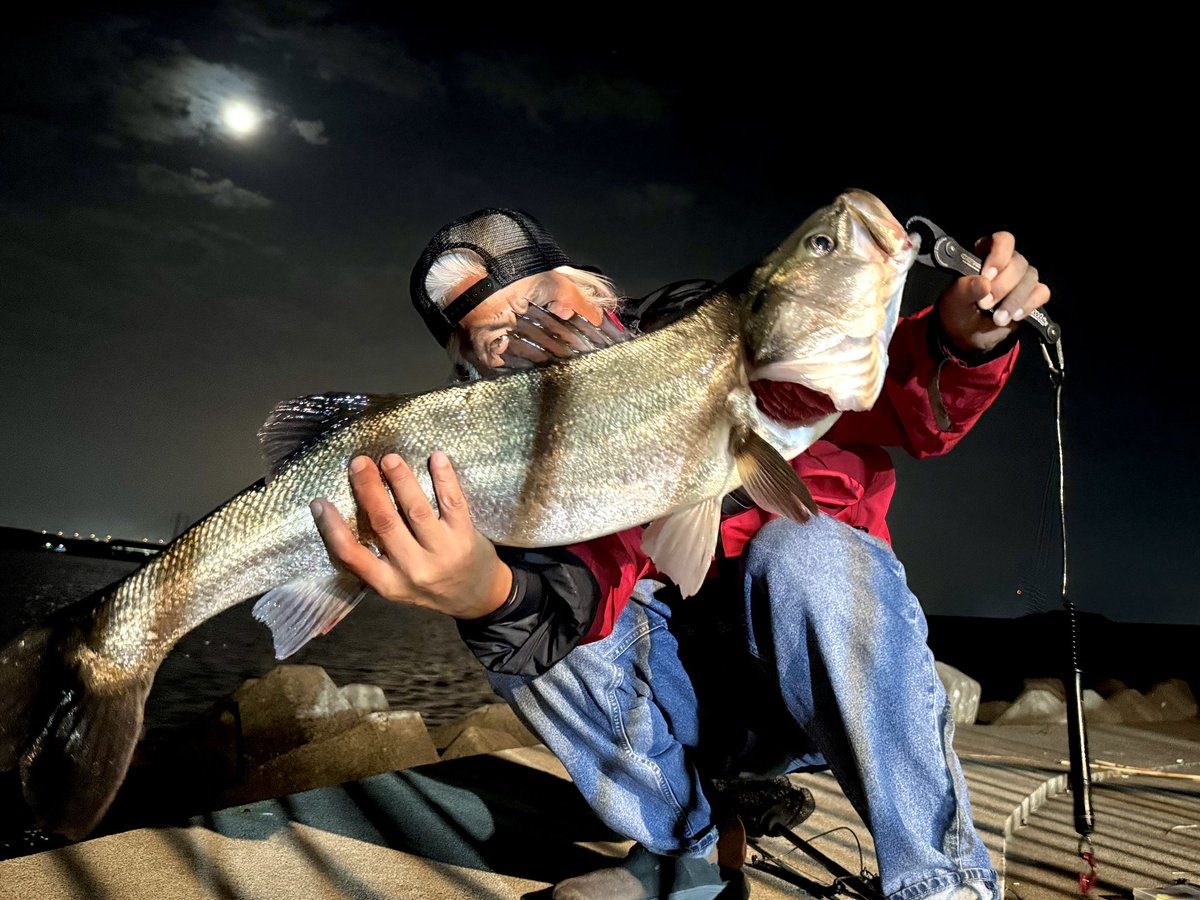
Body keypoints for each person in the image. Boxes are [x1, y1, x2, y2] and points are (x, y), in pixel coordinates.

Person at [307, 207, 1051, 900]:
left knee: (808, 549)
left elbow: (884, 396)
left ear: (591, 291)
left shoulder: (708, 332)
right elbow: (574, 595)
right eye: (488, 338)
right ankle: (686, 847)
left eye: (539, 301)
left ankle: (941, 879)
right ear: (472, 371)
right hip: (680, 711)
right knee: (533, 638)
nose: (523, 332)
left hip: (822, 694)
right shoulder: (505, 455)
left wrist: (959, 339)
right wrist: (487, 596)